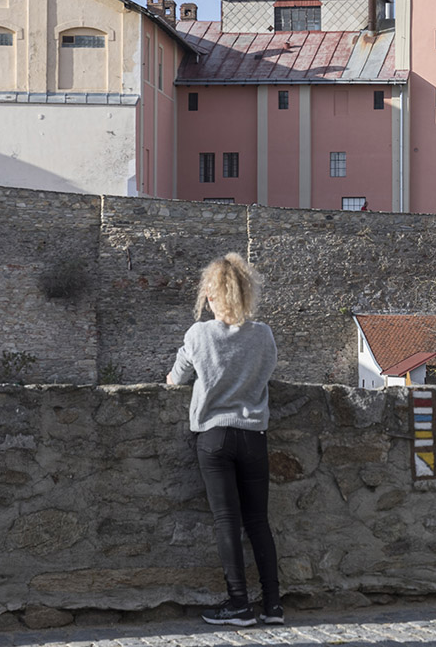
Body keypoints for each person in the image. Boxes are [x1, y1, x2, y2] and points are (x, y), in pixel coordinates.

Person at [166, 253, 282, 627]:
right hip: (253, 435)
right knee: (258, 521)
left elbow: (177, 377)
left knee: (227, 521)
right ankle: (273, 605)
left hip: (214, 436)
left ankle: (238, 605)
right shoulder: (263, 335)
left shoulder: (199, 334)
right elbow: (266, 372)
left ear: (212, 295)